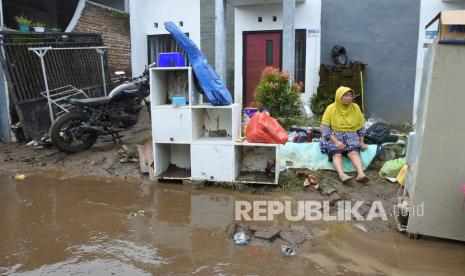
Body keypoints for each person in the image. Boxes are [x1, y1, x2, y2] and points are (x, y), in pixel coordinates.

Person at [320, 86, 369, 183]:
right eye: (345, 95)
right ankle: (342, 175)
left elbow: (361, 126)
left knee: (353, 153)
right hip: (333, 137)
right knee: (337, 154)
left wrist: (361, 142)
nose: (348, 98)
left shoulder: (355, 108)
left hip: (351, 138)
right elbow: (325, 127)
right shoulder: (331, 108)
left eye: (350, 96)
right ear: (339, 96)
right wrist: (336, 142)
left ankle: (360, 174)